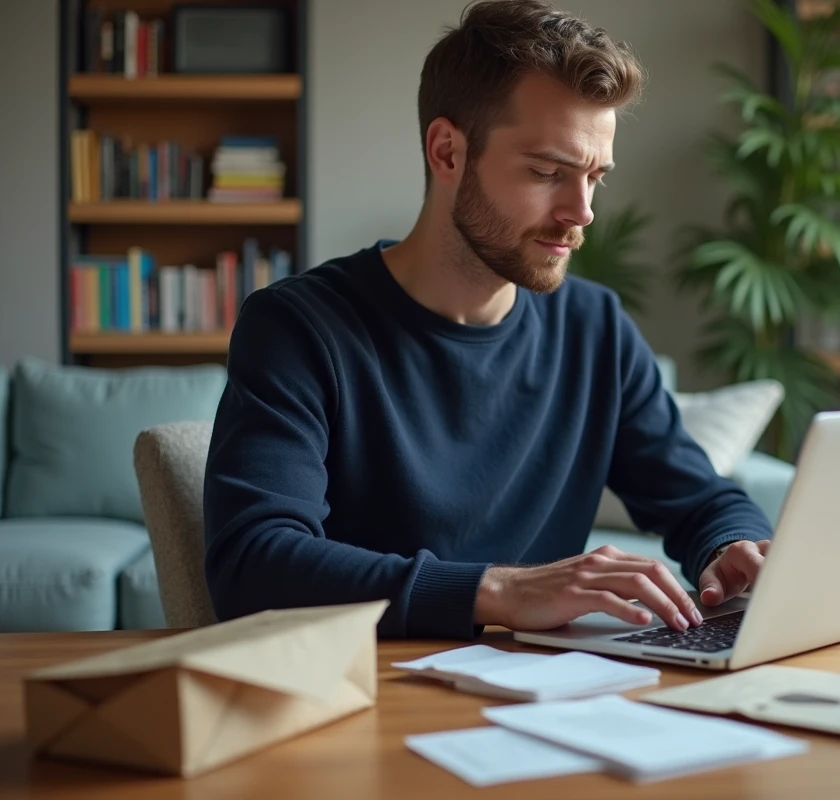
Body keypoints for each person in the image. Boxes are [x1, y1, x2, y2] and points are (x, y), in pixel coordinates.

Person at [202, 0, 774, 640]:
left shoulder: (594, 328)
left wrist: (733, 545)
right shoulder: (298, 328)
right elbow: (250, 564)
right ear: (447, 151)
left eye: (595, 177)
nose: (581, 211)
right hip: (373, 681)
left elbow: (698, 498)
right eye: (547, 172)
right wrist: (499, 591)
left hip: (554, 685)